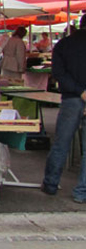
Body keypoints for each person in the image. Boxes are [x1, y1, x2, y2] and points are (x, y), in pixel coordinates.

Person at [42, 15, 86, 202]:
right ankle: (81, 192)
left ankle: (51, 183)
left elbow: (58, 73)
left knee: (61, 143)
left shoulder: (63, 45)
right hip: (77, 97)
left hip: (71, 98)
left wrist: (80, 91)